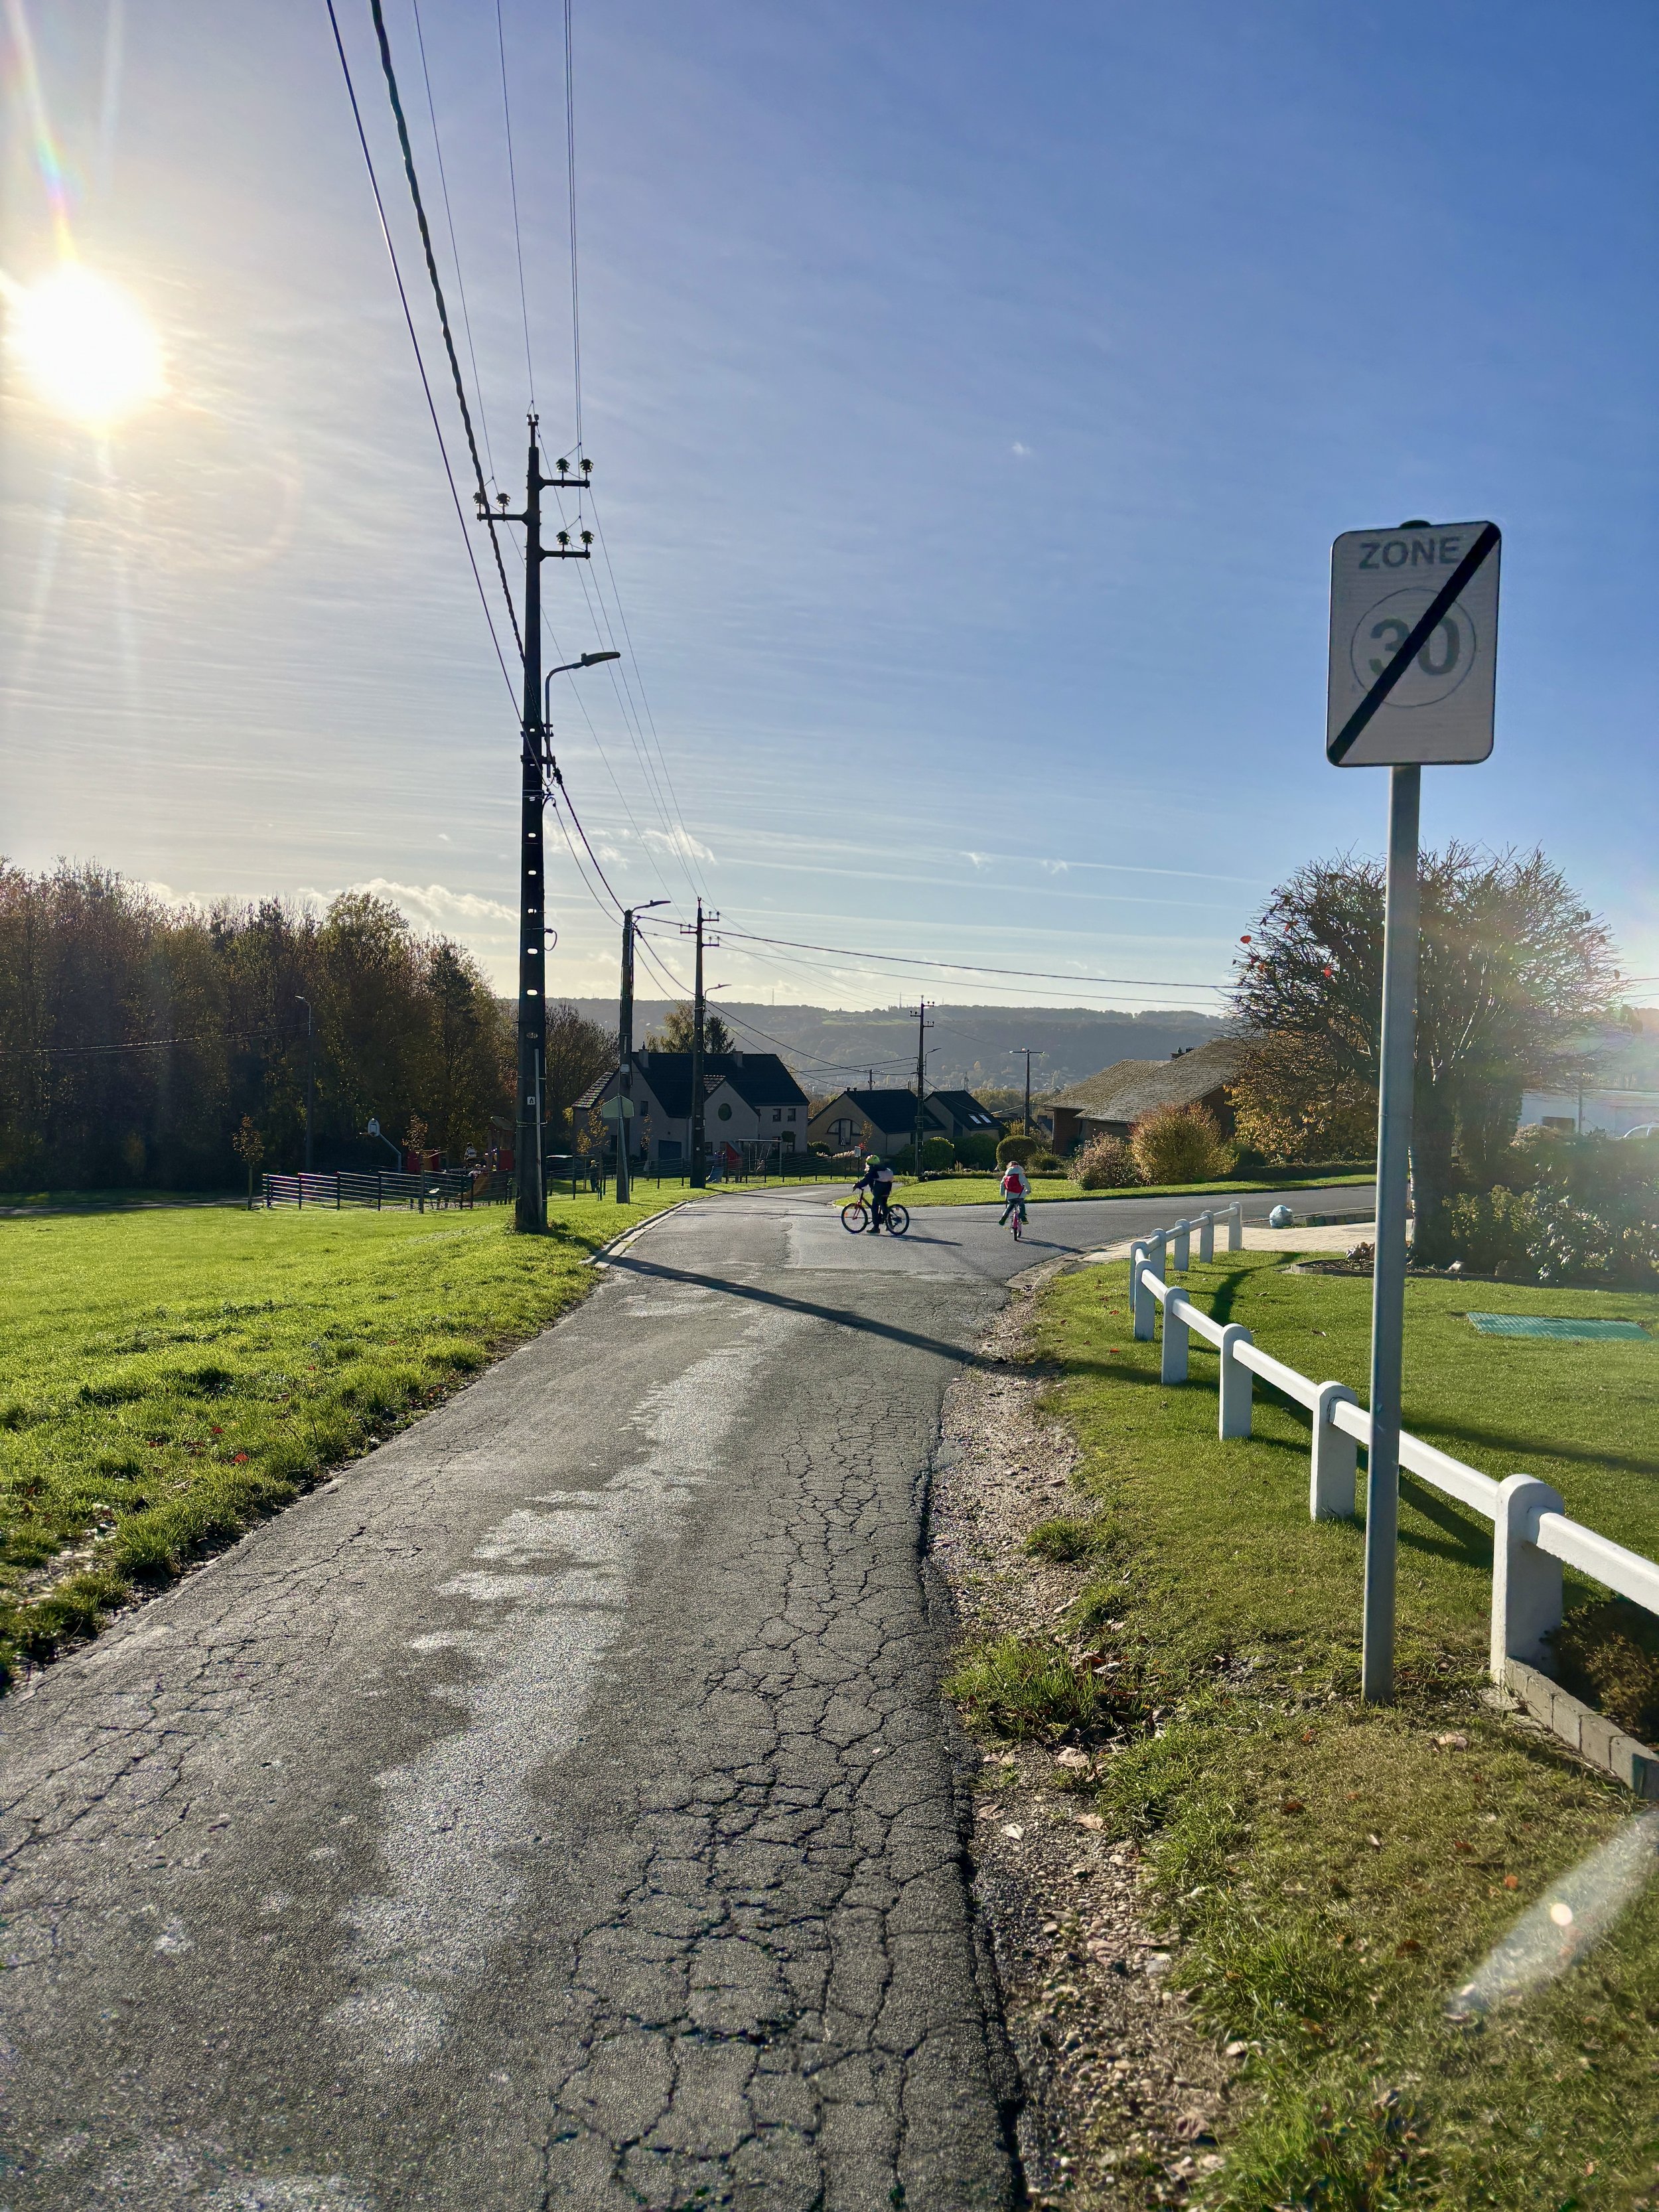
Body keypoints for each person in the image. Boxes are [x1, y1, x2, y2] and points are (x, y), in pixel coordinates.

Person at [853, 1153, 897, 1232]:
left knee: (875, 1206)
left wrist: (857, 1185)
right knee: (883, 1204)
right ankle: (889, 1223)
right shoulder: (882, 1168)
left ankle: (876, 1228)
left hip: (880, 1188)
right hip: (887, 1187)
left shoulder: (872, 1170)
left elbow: (865, 1181)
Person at [999, 1155, 1031, 1231]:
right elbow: (1026, 1184)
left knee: (1011, 1206)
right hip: (1020, 1195)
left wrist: (1002, 1193)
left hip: (1010, 1196)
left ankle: (1004, 1217)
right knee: (1021, 1204)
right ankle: (1022, 1217)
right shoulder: (1020, 1175)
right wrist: (1029, 1190)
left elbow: (1002, 1185)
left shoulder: (1006, 1176)